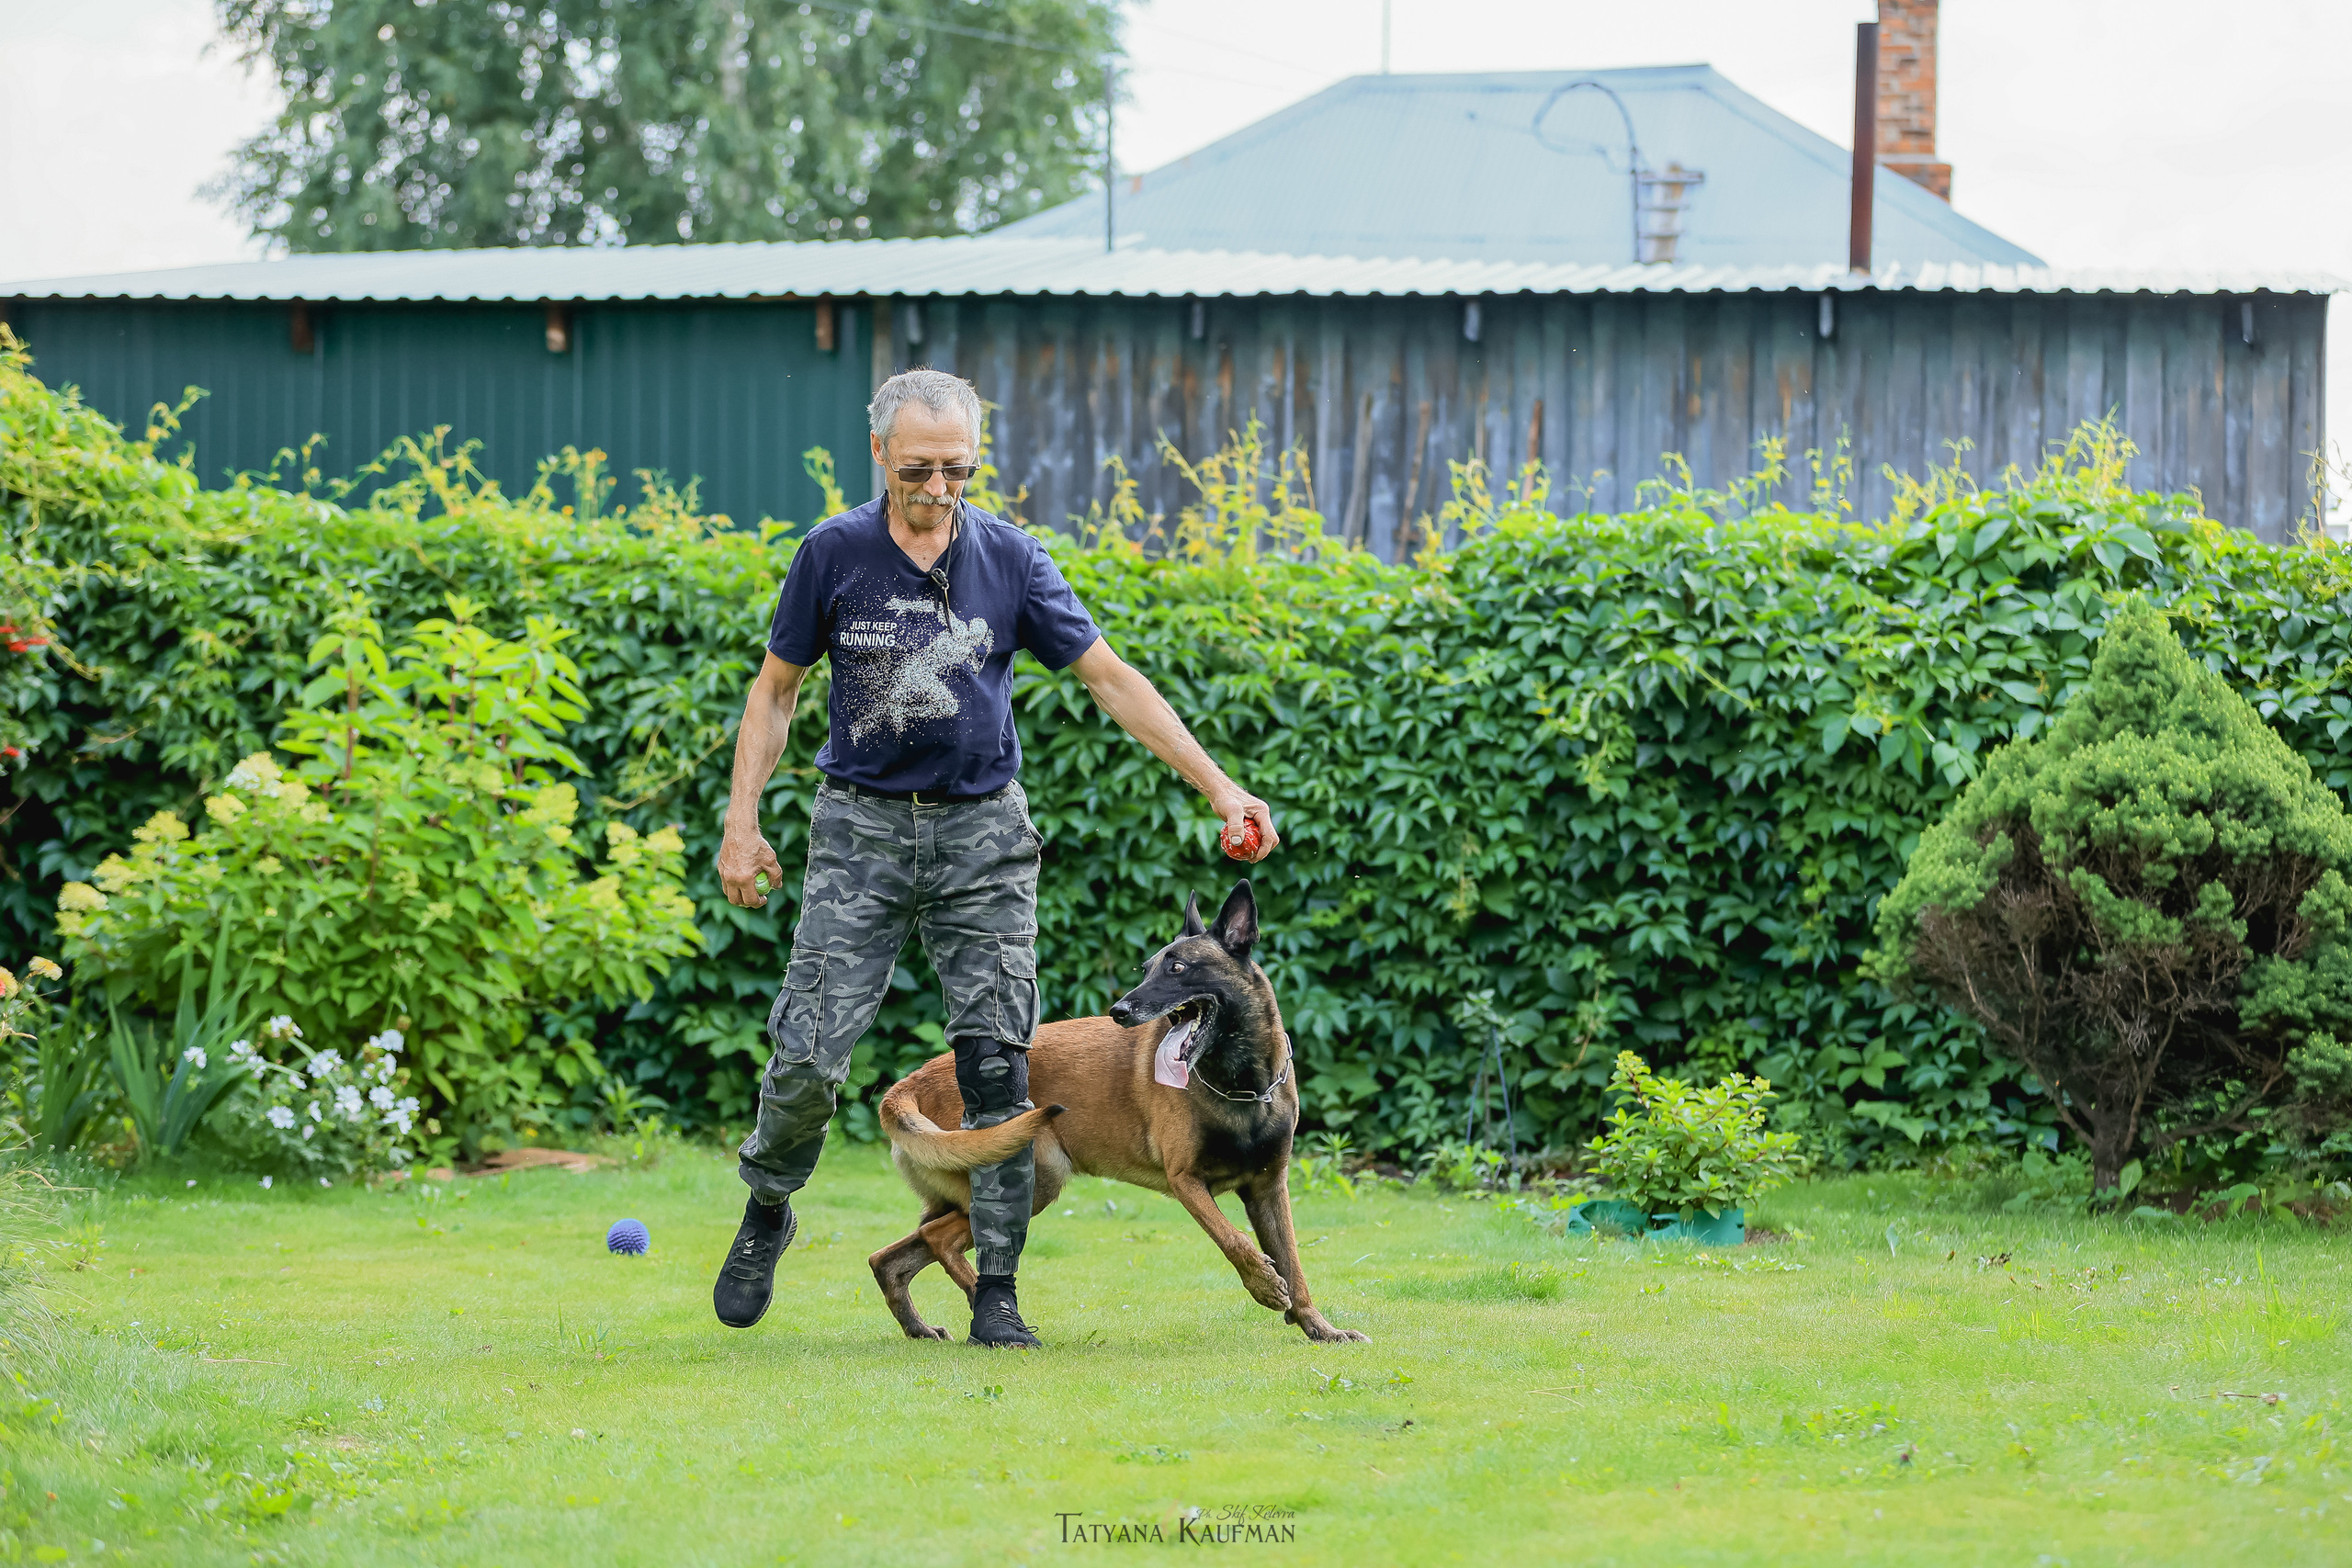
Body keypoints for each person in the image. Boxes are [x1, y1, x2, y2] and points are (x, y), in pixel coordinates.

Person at [711, 368, 1278, 1348]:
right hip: (861, 829)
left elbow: (1109, 679)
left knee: (997, 1064)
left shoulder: (1012, 560)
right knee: (807, 1051)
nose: (938, 490)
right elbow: (774, 693)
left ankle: (999, 1291)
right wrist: (741, 820)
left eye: (958, 470)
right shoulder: (833, 554)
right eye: (920, 469)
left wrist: (1220, 785)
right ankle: (769, 1204)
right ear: (880, 453)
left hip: (983, 834)